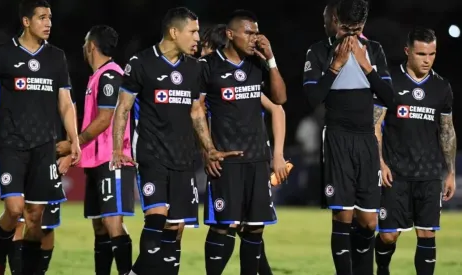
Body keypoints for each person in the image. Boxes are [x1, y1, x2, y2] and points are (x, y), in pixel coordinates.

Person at [112, 7, 239, 275]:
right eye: (192, 31)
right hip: (151, 155)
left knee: (175, 227)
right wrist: (117, 148)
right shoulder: (141, 62)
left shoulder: (194, 68)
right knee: (157, 218)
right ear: (174, 32)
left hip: (183, 158)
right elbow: (123, 108)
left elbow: (196, 112)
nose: (197, 38)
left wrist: (209, 148)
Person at [0, 1, 80, 274]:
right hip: (11, 144)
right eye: (42, 17)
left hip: (44, 146)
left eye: (51, 18)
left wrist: (74, 140)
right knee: (14, 209)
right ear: (26, 21)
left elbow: (65, 103)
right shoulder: (3, 53)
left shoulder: (56, 57)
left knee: (35, 217)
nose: (48, 23)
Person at [302, 0, 394, 274]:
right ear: (336, 22)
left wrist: (367, 67)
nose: (350, 36)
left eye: (356, 29)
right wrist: (336, 66)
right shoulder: (319, 51)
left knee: (368, 222)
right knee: (342, 215)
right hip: (337, 139)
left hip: (366, 139)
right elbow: (313, 99)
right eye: (345, 29)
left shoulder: (374, 51)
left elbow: (390, 98)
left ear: (363, 26)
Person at [200, 10, 287, 275]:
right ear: (230, 34)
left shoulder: (257, 64)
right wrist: (207, 151)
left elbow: (280, 100)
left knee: (255, 228)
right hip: (227, 161)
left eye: (256, 33)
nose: (254, 38)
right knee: (223, 225)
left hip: (258, 159)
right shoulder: (208, 66)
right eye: (248, 32)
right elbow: (196, 110)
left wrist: (271, 59)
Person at [373, 27, 456, 275]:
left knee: (427, 233)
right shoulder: (390, 80)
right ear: (407, 51)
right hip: (395, 172)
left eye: (432, 54)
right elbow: (375, 124)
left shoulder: (442, 87)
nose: (427, 60)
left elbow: (447, 130)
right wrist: (380, 163)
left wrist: (450, 171)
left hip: (429, 173)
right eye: (421, 54)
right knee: (388, 236)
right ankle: (383, 268)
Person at [0, 83, 72, 274]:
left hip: (49, 155)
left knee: (45, 224)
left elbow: (69, 108)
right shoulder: (5, 82)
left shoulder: (51, 73)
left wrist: (70, 150)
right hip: (18, 155)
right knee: (18, 218)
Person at [70, 25, 134, 275]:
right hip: (96, 161)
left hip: (112, 159)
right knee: (100, 225)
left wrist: (76, 141)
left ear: (91, 46)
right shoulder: (98, 76)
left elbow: (106, 117)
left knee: (112, 222)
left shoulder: (110, 75)